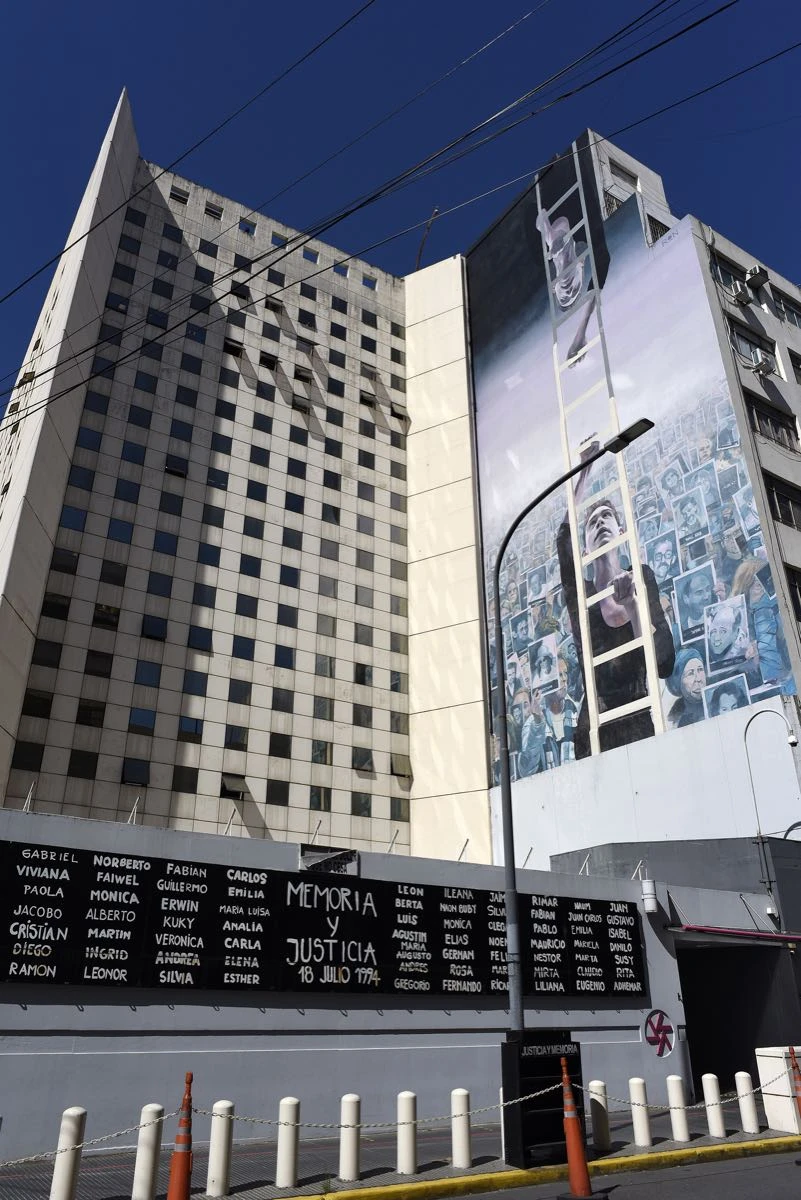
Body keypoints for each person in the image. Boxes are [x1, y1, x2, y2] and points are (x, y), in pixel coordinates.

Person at [557, 450, 675, 758]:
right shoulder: (580, 595)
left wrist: (634, 606)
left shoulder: (641, 576)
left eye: (606, 517)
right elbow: (562, 539)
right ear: (585, 547)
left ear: (621, 531)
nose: (599, 523)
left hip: (638, 720)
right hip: (595, 730)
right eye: (592, 522)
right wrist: (586, 469)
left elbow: (663, 662)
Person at [666, 646, 706, 727]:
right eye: (690, 673)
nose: (698, 679)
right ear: (679, 682)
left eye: (700, 669)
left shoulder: (717, 701)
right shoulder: (674, 721)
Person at [706, 601, 750, 671]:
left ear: (736, 633)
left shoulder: (744, 658)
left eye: (723, 631)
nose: (716, 638)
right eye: (714, 631)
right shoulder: (706, 654)